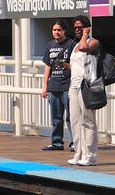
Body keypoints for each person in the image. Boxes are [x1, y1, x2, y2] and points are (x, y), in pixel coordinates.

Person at [67, 16, 101, 166]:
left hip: (87, 85)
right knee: (75, 121)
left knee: (88, 121)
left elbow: (84, 48)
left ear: (87, 27)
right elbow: (76, 64)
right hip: (74, 86)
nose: (77, 30)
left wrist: (86, 34)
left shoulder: (93, 42)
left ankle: (90, 155)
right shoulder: (75, 46)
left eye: (80, 27)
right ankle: (78, 153)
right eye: (75, 28)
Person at [40, 20, 75, 150]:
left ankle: (74, 143)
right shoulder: (49, 45)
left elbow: (77, 65)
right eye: (54, 30)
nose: (57, 32)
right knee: (56, 117)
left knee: (71, 117)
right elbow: (47, 66)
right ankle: (56, 143)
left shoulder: (72, 45)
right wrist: (45, 86)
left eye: (59, 30)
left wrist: (68, 66)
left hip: (67, 85)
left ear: (64, 31)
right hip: (53, 85)